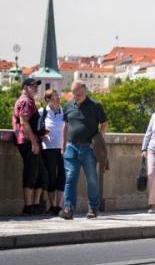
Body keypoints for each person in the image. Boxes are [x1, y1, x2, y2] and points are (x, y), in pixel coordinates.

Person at [60, 81, 108, 220]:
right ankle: (68, 209)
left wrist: (99, 139)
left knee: (92, 179)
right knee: (70, 178)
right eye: (74, 94)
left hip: (88, 148)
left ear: (85, 91)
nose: (76, 96)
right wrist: (63, 145)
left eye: (79, 93)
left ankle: (93, 208)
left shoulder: (95, 106)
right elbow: (65, 127)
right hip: (71, 147)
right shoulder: (68, 105)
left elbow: (104, 124)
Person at [12, 77, 45, 215]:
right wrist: (34, 142)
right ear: (25, 87)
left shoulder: (28, 101)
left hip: (29, 140)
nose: (36, 88)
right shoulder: (25, 101)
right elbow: (24, 122)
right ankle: (28, 207)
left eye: (36, 86)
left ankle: (34, 205)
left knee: (40, 174)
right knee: (31, 173)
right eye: (33, 86)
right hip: (28, 142)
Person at [39, 88, 66, 215]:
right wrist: (41, 134)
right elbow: (35, 128)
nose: (57, 98)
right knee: (51, 177)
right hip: (48, 148)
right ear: (48, 100)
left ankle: (58, 206)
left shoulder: (63, 112)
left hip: (62, 148)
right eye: (54, 97)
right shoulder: (42, 112)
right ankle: (52, 205)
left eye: (57, 96)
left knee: (62, 176)